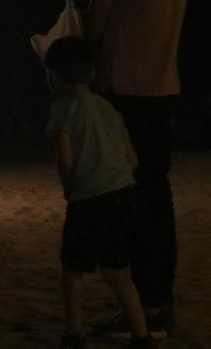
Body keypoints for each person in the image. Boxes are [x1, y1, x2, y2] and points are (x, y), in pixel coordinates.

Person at [81, 0, 190, 338]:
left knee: (128, 201)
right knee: (157, 195)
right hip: (164, 85)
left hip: (125, 90)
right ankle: (160, 299)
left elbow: (95, 26)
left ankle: (140, 307)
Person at [45, 36, 154, 349]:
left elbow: (65, 159)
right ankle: (141, 336)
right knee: (117, 269)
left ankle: (75, 334)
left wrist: (70, 189)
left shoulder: (62, 109)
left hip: (89, 198)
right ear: (91, 73)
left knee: (74, 269)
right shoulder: (108, 108)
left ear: (54, 75)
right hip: (124, 194)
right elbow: (131, 158)